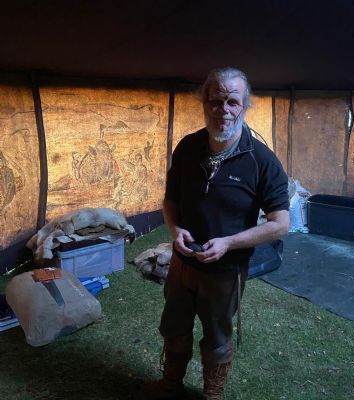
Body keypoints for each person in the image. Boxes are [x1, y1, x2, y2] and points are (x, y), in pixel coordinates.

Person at [139, 67, 290, 400]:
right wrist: (175, 230)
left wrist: (229, 244)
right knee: (174, 327)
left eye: (233, 102)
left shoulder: (262, 160)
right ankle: (170, 386)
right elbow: (170, 200)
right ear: (205, 103)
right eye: (216, 101)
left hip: (225, 271)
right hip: (182, 264)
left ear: (245, 106)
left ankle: (212, 395)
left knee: (217, 337)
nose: (224, 110)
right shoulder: (188, 147)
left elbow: (281, 223)